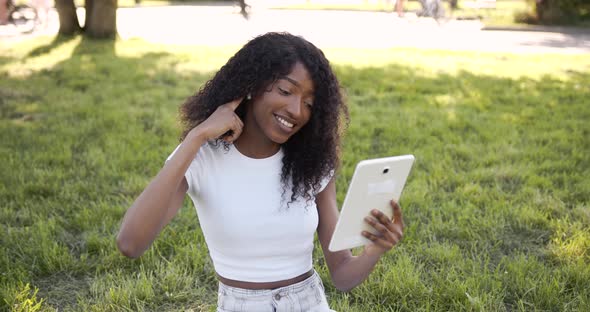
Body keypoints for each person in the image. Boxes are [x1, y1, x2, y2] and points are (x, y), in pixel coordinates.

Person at [117, 32, 405, 311]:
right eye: (285, 91)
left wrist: (374, 250)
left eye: (309, 103)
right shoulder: (201, 157)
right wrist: (196, 137)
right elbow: (130, 243)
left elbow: (342, 274)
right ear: (252, 86)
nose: (296, 110)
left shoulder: (311, 164)